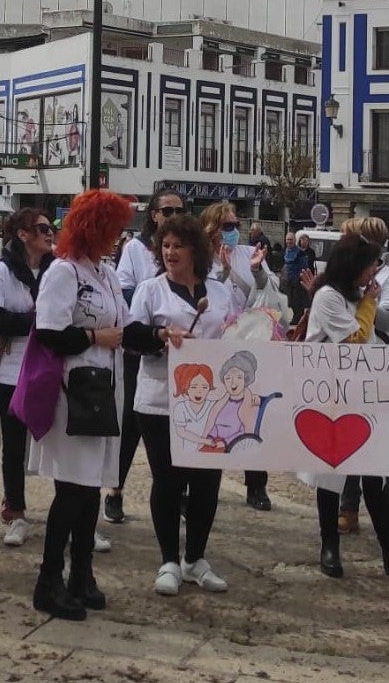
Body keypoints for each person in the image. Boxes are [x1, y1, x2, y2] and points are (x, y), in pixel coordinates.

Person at [302, 234, 389, 581]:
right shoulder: (329, 297)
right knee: (331, 476)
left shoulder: (356, 297)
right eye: (371, 264)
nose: (375, 271)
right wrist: (371, 302)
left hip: (361, 395)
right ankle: (329, 544)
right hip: (332, 396)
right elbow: (355, 340)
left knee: (373, 474)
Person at [31, 189, 133, 621]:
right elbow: (50, 332)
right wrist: (94, 337)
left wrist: (163, 335)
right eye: (114, 229)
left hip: (104, 392)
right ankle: (49, 580)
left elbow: (127, 327)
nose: (119, 237)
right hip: (74, 395)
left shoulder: (105, 274)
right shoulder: (63, 273)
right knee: (72, 490)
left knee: (89, 490)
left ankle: (82, 574)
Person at [126, 213, 241, 596]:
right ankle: (168, 560)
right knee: (169, 480)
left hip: (211, 406)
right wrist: (161, 335)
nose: (170, 252)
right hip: (159, 401)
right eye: (166, 246)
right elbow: (131, 336)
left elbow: (236, 333)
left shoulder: (219, 293)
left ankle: (195, 558)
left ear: (196, 250)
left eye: (178, 245)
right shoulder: (150, 290)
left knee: (207, 481)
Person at [107, 189, 187, 525]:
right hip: (144, 343)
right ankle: (115, 489)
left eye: (178, 211)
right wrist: (155, 289)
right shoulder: (136, 250)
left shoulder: (190, 250)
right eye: (165, 211)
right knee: (130, 423)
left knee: (180, 423)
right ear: (152, 214)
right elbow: (124, 291)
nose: (171, 216)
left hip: (181, 351)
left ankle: (175, 492)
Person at [0, 208, 56, 546]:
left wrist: (28, 321)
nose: (49, 233)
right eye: (41, 228)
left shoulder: (58, 269)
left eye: (50, 227)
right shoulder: (4, 271)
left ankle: (68, 512)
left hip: (50, 368)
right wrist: (40, 322)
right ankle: (16, 511)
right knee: (13, 445)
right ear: (23, 235)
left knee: (58, 443)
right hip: (12, 371)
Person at [335, 217, 389, 538]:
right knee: (350, 437)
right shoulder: (341, 279)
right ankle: (348, 508)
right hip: (349, 369)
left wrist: (367, 301)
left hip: (381, 367)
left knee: (388, 445)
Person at [201, 201, 272, 510]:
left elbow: (268, 294)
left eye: (235, 226)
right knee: (210, 415)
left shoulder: (248, 254)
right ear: (212, 228)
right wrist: (223, 272)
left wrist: (256, 272)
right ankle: (203, 482)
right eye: (227, 226)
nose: (233, 232)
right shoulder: (201, 258)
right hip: (212, 345)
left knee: (250, 415)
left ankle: (256, 484)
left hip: (246, 345)